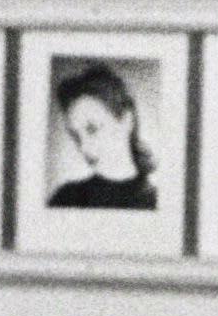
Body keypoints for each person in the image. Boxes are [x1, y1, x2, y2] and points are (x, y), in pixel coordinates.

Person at [47, 61, 157, 210]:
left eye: (92, 129)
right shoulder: (65, 198)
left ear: (126, 121)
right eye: (76, 136)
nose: (84, 148)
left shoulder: (157, 202)